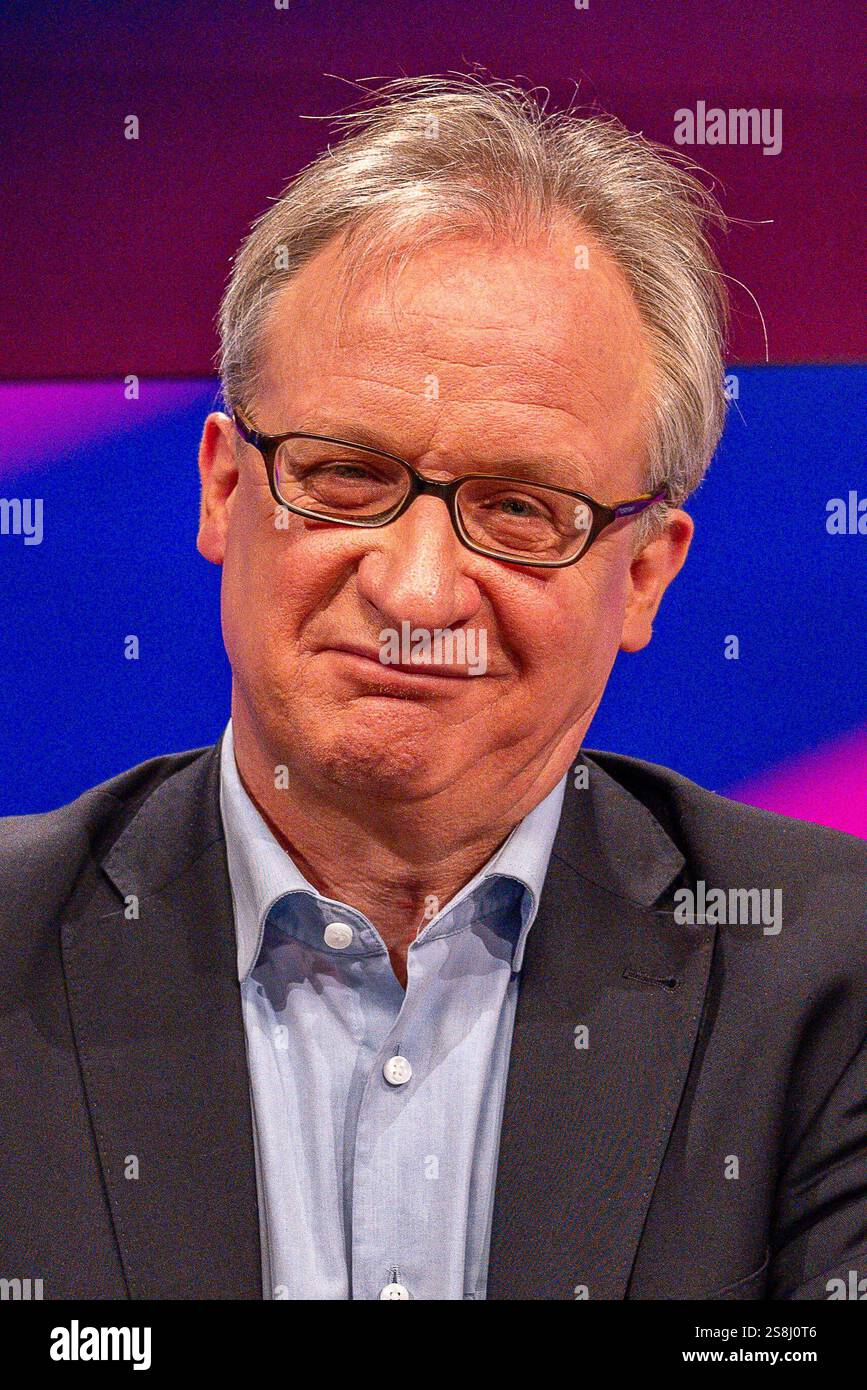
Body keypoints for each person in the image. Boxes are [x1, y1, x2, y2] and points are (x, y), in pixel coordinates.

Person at [1, 76, 864, 1301]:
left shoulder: (833, 983)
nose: (414, 589)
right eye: (346, 476)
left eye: (519, 508)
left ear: (644, 575)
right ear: (225, 490)